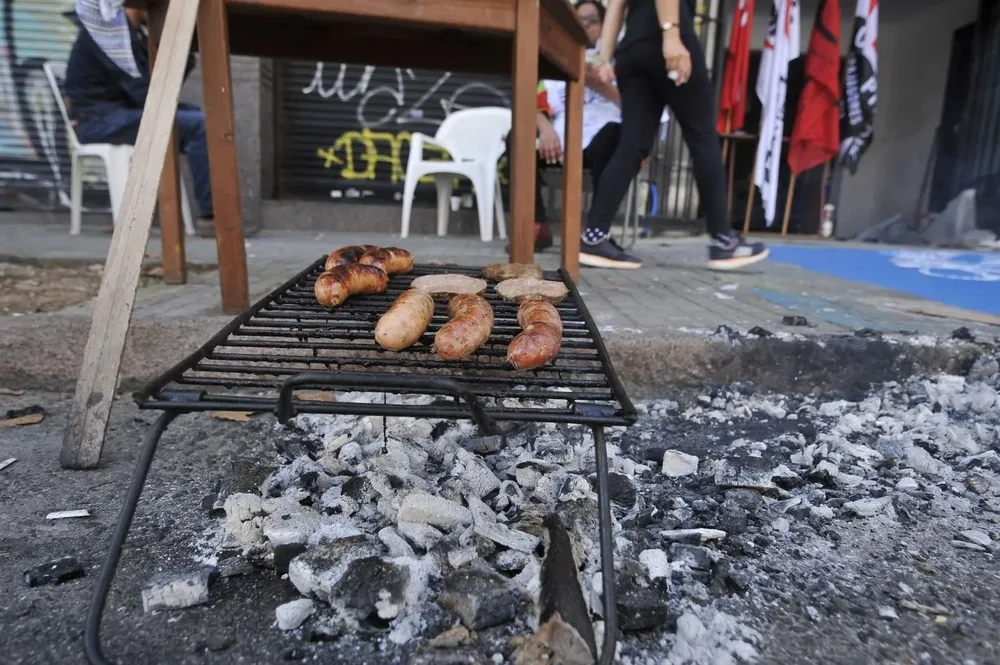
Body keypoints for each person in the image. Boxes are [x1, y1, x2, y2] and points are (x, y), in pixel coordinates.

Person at [583, 0, 769, 270]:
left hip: (633, 49)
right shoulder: (670, 35)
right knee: (702, 137)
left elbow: (616, 4)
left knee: (632, 145)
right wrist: (671, 35)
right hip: (668, 36)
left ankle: (593, 237)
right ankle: (723, 242)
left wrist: (603, 57)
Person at [63, 2, 215, 236]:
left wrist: (185, 52)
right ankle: (210, 216)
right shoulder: (107, 35)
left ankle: (210, 212)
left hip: (122, 114)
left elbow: (155, 91)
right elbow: (146, 92)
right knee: (199, 125)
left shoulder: (132, 35)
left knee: (204, 119)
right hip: (98, 121)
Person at [504, 0, 623, 252]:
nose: (585, 27)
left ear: (606, 25)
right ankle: (535, 226)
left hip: (598, 142)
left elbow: (631, 104)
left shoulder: (619, 56)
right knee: (517, 136)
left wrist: (590, 76)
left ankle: (596, 232)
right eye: (580, 22)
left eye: (592, 21)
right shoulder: (555, 55)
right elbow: (533, 99)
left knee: (615, 136)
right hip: (558, 141)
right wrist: (545, 127)